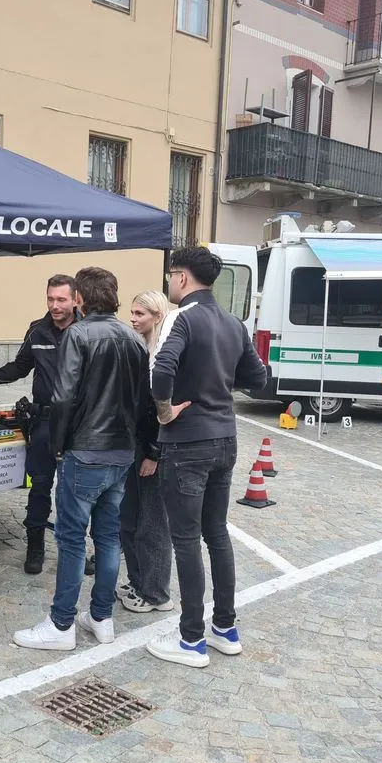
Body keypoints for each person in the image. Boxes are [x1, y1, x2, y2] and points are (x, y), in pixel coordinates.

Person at [13, 267, 149, 651]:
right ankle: (102, 617)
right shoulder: (134, 338)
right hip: (121, 453)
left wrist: (58, 446)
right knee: (107, 537)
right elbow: (145, 401)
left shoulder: (78, 334)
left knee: (72, 540)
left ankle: (61, 625)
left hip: (85, 451)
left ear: (79, 299)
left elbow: (63, 397)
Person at [146, 248, 267, 668]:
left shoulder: (181, 318)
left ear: (181, 277)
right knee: (216, 534)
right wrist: (218, 382)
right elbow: (258, 378)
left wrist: (165, 411)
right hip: (225, 439)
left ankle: (191, 639)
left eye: (170, 275)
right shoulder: (233, 322)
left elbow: (161, 372)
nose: (168, 282)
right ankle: (225, 629)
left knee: (185, 541)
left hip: (187, 444)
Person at [0, 275, 78, 574]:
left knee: (75, 491)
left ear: (75, 299)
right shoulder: (37, 330)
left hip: (77, 426)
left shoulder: (86, 331)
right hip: (44, 424)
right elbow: (18, 367)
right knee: (39, 486)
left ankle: (74, 549)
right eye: (50, 298)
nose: (54, 305)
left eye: (61, 299)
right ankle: (35, 546)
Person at [117, 290, 174, 614]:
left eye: (140, 313)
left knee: (152, 524)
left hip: (152, 450)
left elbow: (159, 412)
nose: (133, 318)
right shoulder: (143, 349)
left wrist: (153, 453)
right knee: (131, 519)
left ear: (157, 315)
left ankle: (156, 593)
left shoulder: (163, 354)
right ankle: (139, 581)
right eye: (132, 312)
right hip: (136, 445)